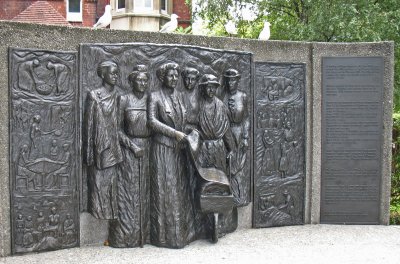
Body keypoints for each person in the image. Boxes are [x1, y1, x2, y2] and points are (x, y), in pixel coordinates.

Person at [148, 61, 195, 248]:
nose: (174, 78)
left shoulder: (181, 96)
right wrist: (174, 133)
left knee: (181, 191)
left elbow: (185, 120)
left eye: (177, 75)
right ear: (162, 77)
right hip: (163, 150)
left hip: (180, 151)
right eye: (171, 75)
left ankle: (183, 234)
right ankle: (164, 237)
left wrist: (191, 132)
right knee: (166, 191)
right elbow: (151, 121)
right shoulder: (155, 96)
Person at [109, 65, 151, 248]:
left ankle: (146, 236)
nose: (142, 84)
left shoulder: (151, 99)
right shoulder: (124, 100)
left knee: (146, 193)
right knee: (128, 193)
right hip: (129, 151)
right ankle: (126, 237)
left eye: (145, 80)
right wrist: (132, 146)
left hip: (149, 149)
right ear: (132, 81)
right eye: (139, 80)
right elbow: (116, 130)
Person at [196, 74, 237, 236]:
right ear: (203, 88)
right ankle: (204, 224)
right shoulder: (198, 105)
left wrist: (231, 148)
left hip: (219, 148)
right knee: (204, 184)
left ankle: (219, 223)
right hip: (204, 148)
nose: (211, 89)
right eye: (208, 86)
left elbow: (226, 130)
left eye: (213, 86)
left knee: (220, 185)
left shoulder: (220, 106)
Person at [83, 61, 123, 220]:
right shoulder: (94, 95)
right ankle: (98, 214)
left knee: (111, 184)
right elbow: (89, 125)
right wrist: (88, 154)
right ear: (103, 74)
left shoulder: (119, 95)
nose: (115, 76)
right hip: (100, 147)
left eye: (116, 73)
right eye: (112, 73)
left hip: (114, 146)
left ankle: (111, 214)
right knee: (99, 184)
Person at [221, 69, 250, 205]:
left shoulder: (243, 96)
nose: (230, 83)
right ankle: (229, 196)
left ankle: (240, 196)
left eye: (233, 80)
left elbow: (246, 119)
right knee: (228, 166)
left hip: (239, 132)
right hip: (226, 133)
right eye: (228, 80)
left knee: (240, 166)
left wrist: (245, 137)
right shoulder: (222, 96)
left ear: (237, 81)